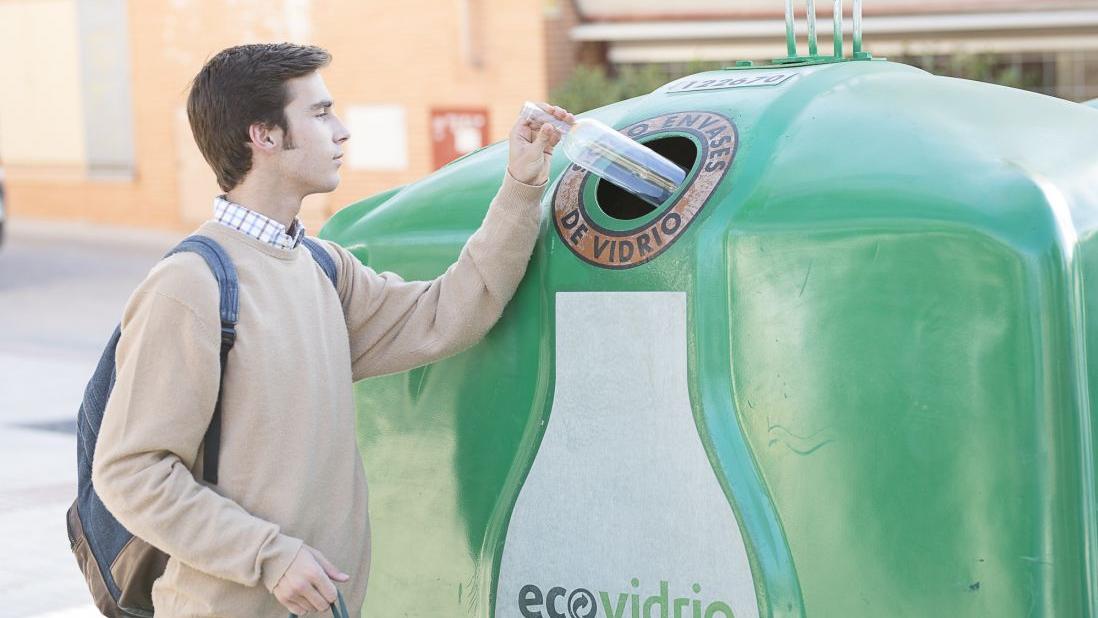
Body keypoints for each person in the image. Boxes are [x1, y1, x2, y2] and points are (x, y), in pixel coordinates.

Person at [90, 42, 571, 616]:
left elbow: (448, 313)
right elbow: (129, 472)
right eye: (319, 114)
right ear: (263, 136)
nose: (341, 132)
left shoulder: (323, 267)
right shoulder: (190, 286)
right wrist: (269, 555)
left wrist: (521, 185)